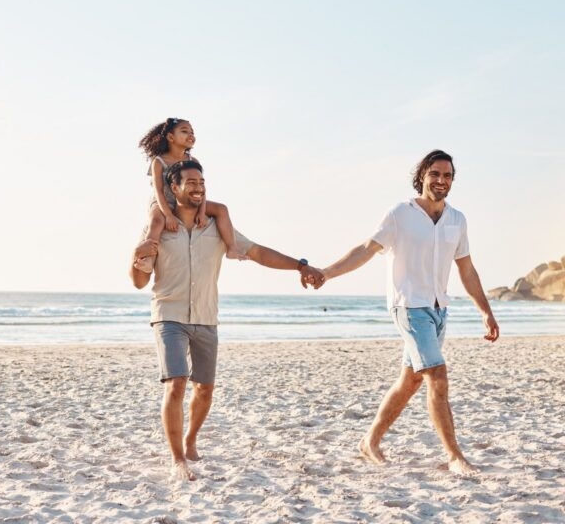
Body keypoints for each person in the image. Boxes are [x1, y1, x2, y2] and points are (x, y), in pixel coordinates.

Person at [304, 149, 499, 476]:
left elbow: (467, 270)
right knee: (437, 377)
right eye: (434, 174)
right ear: (422, 175)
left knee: (410, 381)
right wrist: (327, 272)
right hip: (409, 307)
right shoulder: (400, 214)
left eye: (447, 175)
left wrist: (485, 311)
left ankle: (370, 442)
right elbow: (366, 250)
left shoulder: (457, 220)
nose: (441, 180)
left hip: (439, 310)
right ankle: (454, 456)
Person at [130, 159, 324, 481]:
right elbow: (138, 280)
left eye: (201, 181)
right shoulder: (160, 226)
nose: (198, 187)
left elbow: (259, 252)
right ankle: (178, 459)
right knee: (176, 382)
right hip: (169, 315)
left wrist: (300, 266)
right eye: (190, 182)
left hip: (206, 317)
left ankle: (191, 440)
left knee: (204, 390)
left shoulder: (217, 226)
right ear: (173, 188)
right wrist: (136, 257)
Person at [134, 118, 247, 274]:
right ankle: (148, 259)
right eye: (185, 131)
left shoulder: (192, 160)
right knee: (156, 221)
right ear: (170, 137)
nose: (191, 135)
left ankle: (232, 248)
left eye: (192, 132)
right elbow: (159, 190)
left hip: (189, 200)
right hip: (163, 201)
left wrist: (202, 211)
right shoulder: (159, 161)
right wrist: (168, 215)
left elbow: (201, 189)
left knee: (221, 209)